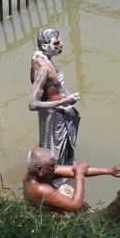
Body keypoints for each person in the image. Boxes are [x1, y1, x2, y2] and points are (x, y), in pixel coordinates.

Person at [29, 28, 80, 187]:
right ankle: (54, 190)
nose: (61, 44)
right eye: (56, 43)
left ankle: (59, 181)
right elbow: (33, 104)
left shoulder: (41, 58)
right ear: (45, 47)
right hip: (55, 117)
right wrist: (64, 102)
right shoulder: (43, 67)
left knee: (59, 154)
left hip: (57, 114)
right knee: (54, 156)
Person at [23, 147, 120, 213]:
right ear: (39, 169)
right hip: (50, 220)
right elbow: (75, 206)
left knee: (65, 187)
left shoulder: (37, 173)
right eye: (52, 166)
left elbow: (73, 171)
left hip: (51, 204)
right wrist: (79, 176)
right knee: (67, 191)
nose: (55, 168)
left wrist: (109, 170)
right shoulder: (40, 189)